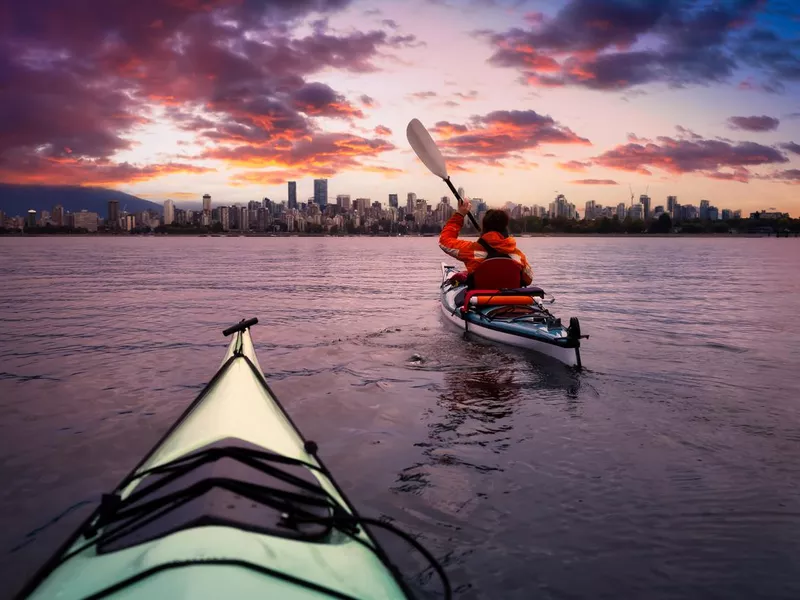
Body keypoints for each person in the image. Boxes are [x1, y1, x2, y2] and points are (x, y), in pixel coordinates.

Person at [439, 199, 533, 288]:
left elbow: (444, 241)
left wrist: (460, 214)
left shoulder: (472, 250)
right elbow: (528, 279)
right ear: (505, 227)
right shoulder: (518, 256)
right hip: (512, 301)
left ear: (484, 227)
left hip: (480, 301)